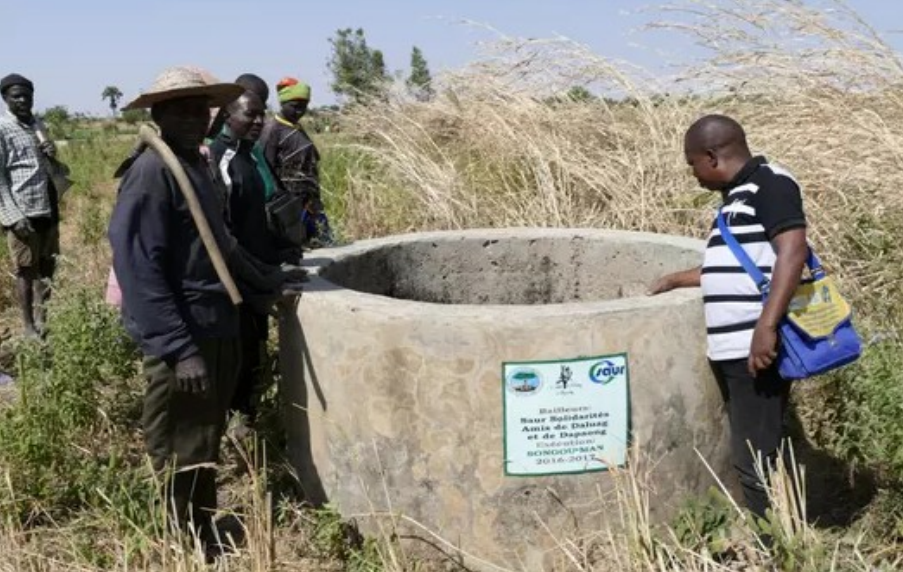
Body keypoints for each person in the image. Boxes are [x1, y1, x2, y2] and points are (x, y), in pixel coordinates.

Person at [108, 66, 295, 556]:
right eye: (180, 109)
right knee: (178, 444)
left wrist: (269, 281)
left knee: (204, 437)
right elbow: (140, 271)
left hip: (217, 323)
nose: (194, 117)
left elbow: (224, 247)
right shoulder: (151, 174)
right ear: (160, 114)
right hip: (187, 334)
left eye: (200, 108)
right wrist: (177, 348)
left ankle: (200, 528)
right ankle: (179, 542)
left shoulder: (195, 165)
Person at [649, 114, 809, 522]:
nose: (693, 174)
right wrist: (674, 280)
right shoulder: (738, 196)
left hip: (753, 347)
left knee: (755, 454)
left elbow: (793, 251)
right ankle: (776, 536)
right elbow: (734, 267)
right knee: (752, 448)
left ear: (712, 156)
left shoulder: (771, 183)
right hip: (734, 349)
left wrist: (766, 327)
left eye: (693, 164)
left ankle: (778, 545)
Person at [208, 90, 277, 435]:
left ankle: (246, 412)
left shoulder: (248, 156)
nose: (258, 121)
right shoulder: (219, 159)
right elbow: (223, 232)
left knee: (255, 347)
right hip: (236, 274)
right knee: (237, 348)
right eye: (250, 114)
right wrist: (253, 274)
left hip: (258, 268)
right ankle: (234, 417)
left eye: (262, 114)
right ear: (227, 115)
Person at [0, 74, 62, 338]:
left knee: (48, 266)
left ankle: (42, 319)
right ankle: (27, 327)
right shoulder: (2, 128)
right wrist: (13, 216)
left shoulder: (38, 124)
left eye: (27, 95)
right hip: (22, 212)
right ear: (5, 99)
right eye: (17, 96)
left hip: (47, 207)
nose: (23, 100)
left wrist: (51, 151)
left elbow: (50, 167)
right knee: (26, 270)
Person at [260, 77, 332, 247]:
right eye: (294, 106)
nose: (299, 111)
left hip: (309, 200)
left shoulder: (295, 127)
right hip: (290, 203)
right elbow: (267, 167)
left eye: (304, 106)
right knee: (296, 246)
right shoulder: (272, 130)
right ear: (282, 103)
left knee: (323, 244)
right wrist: (282, 203)